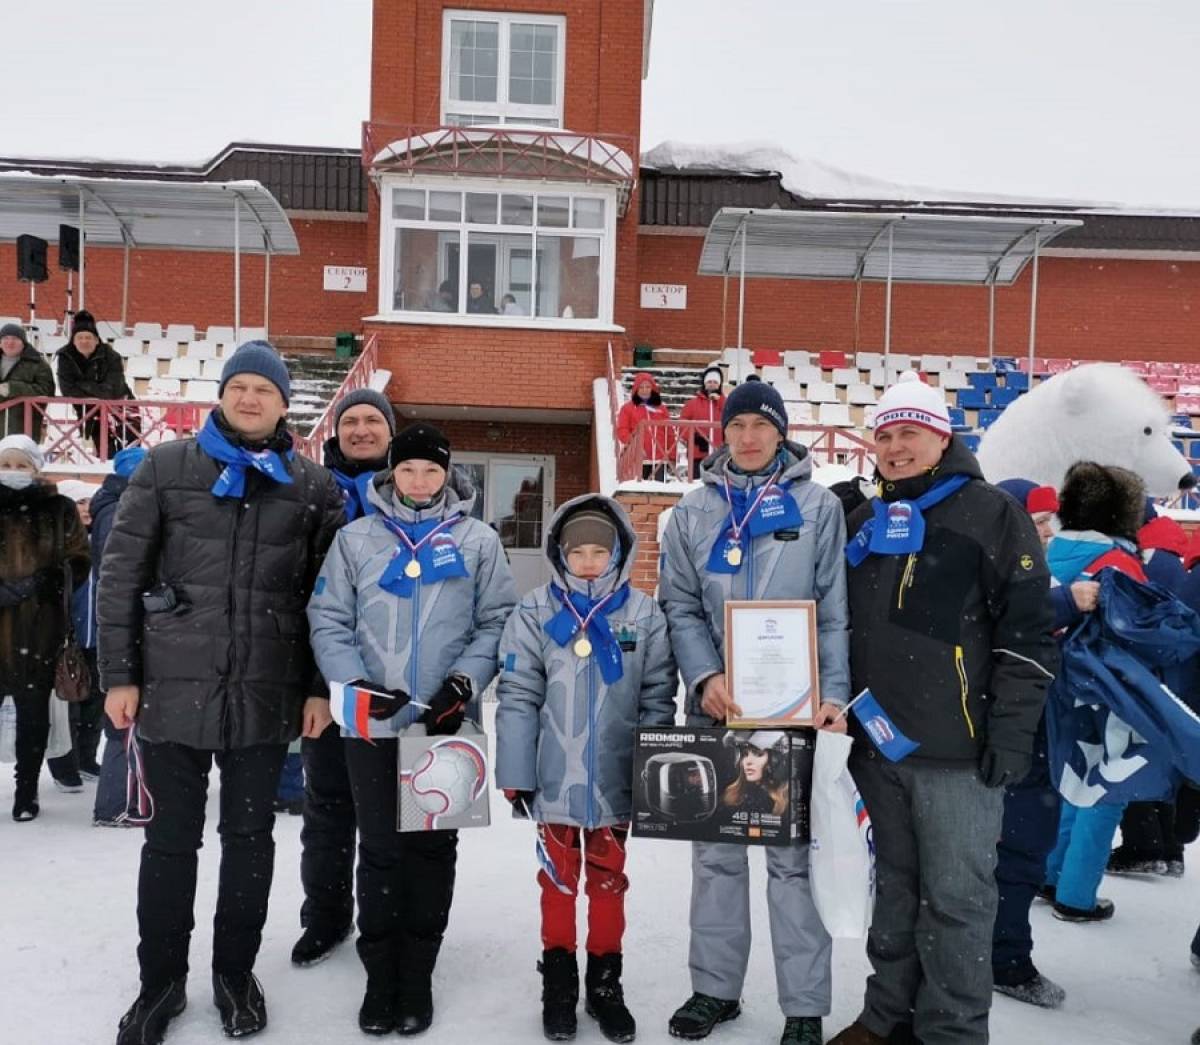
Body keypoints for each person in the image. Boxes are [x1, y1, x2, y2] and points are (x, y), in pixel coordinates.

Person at [98, 341, 345, 1045]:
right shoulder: (167, 466)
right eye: (238, 386)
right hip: (173, 691)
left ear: (282, 402)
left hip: (263, 695)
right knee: (170, 844)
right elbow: (121, 574)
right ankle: (161, 982)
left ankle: (235, 973)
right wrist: (121, 672)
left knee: (249, 841)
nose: (249, 399)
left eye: (263, 390)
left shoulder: (311, 485)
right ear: (222, 393)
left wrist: (317, 687)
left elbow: (326, 600)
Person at [830, 373, 1057, 1045]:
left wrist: (1011, 734)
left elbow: (1028, 635)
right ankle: (887, 1015)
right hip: (878, 747)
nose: (896, 447)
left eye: (911, 434)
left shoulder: (991, 511)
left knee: (957, 902)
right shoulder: (866, 517)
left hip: (959, 754)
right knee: (894, 893)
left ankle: (953, 1031)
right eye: (886, 434)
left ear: (942, 438)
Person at [307, 422, 517, 1037]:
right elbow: (328, 618)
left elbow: (497, 618)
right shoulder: (356, 539)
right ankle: (380, 974)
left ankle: (418, 970)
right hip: (371, 723)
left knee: (431, 849)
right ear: (390, 474)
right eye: (408, 470)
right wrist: (356, 687)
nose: (419, 481)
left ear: (447, 475)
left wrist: (464, 683)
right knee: (378, 849)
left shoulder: (477, 540)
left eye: (431, 470)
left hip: (445, 720)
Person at [658, 380, 851, 1045]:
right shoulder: (691, 512)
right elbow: (679, 606)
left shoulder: (818, 507)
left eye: (759, 425)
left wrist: (832, 693)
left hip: (791, 714)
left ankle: (804, 1002)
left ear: (781, 433)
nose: (747, 437)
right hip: (719, 710)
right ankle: (714, 988)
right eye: (736, 424)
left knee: (792, 864)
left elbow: (832, 609)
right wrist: (703, 673)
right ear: (722, 431)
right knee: (716, 860)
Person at [495, 495, 677, 1044]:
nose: (591, 561)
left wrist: (654, 771)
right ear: (560, 553)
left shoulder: (643, 614)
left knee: (608, 884)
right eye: (580, 552)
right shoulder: (534, 611)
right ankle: (558, 982)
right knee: (557, 883)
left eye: (601, 550)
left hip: (617, 780)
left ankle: (604, 982)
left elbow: (657, 694)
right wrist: (516, 768)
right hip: (553, 779)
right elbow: (518, 694)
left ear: (619, 551)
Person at [291, 387, 396, 968]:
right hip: (327, 683)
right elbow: (302, 593)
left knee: (394, 813)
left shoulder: (412, 491)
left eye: (372, 421)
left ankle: (385, 921)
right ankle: (325, 917)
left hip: (398, 685)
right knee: (328, 807)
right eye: (350, 421)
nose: (360, 430)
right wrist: (315, 684)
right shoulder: (312, 491)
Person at [1041, 462, 1151, 924]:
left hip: (1052, 683)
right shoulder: (1121, 562)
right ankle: (1076, 893)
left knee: (1068, 780)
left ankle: (1051, 873)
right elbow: (1138, 633)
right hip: (1105, 689)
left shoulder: (1048, 550)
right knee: (1108, 786)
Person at [989, 479, 1067, 1010]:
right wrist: (1065, 604)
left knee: (1025, 853)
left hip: (1037, 738)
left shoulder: (1038, 572)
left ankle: (1001, 952)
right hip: (1013, 741)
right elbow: (1002, 633)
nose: (1046, 531)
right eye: (1036, 521)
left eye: (1048, 523)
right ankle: (1005, 961)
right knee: (1015, 856)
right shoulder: (996, 573)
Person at [0, 434, 90, 821]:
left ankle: (25, 792)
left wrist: (45, 580)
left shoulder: (60, 508)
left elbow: (79, 559)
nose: (14, 472)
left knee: (34, 719)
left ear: (36, 468)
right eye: (7, 464)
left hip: (39, 630)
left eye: (22, 465)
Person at [91, 446, 148, 827]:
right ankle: (116, 804)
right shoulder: (121, 508)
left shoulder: (111, 502)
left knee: (127, 722)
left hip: (122, 620)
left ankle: (125, 800)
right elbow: (121, 568)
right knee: (124, 724)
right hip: (127, 621)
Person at [44, 479, 104, 793]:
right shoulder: (55, 544)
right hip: (67, 638)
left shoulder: (102, 541)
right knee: (68, 702)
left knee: (95, 700)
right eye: (78, 502)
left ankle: (87, 758)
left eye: (88, 501)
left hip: (99, 636)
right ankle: (64, 766)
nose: (86, 508)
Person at [56, 310, 136, 458]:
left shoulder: (111, 356)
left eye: (88, 337)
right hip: (90, 412)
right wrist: (95, 389)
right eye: (79, 337)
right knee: (105, 453)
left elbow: (111, 391)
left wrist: (82, 384)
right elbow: (67, 390)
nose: (84, 341)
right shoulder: (65, 357)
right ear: (73, 341)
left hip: (124, 408)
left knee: (131, 451)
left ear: (97, 340)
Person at [0, 322, 55, 440]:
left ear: (23, 342)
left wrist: (12, 388)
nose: (10, 342)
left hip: (23, 428)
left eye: (15, 338)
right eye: (5, 338)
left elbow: (47, 391)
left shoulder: (38, 364)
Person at [616, 372, 675, 481]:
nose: (644, 390)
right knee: (639, 491)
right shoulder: (627, 408)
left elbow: (669, 432)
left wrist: (672, 455)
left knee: (658, 491)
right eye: (641, 387)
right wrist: (636, 446)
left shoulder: (661, 408)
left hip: (659, 458)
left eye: (648, 387)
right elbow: (622, 431)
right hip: (638, 458)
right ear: (636, 389)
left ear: (652, 389)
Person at [721, 730, 788, 815]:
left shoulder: (786, 802)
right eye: (744, 754)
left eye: (758, 754)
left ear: (775, 760)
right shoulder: (730, 795)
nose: (748, 761)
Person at [679, 365, 726, 480]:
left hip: (719, 454)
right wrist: (695, 437)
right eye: (709, 381)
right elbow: (682, 425)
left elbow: (732, 417)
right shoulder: (692, 404)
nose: (712, 384)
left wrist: (720, 401)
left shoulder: (726, 403)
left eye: (715, 382)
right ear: (704, 384)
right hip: (697, 453)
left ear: (719, 384)